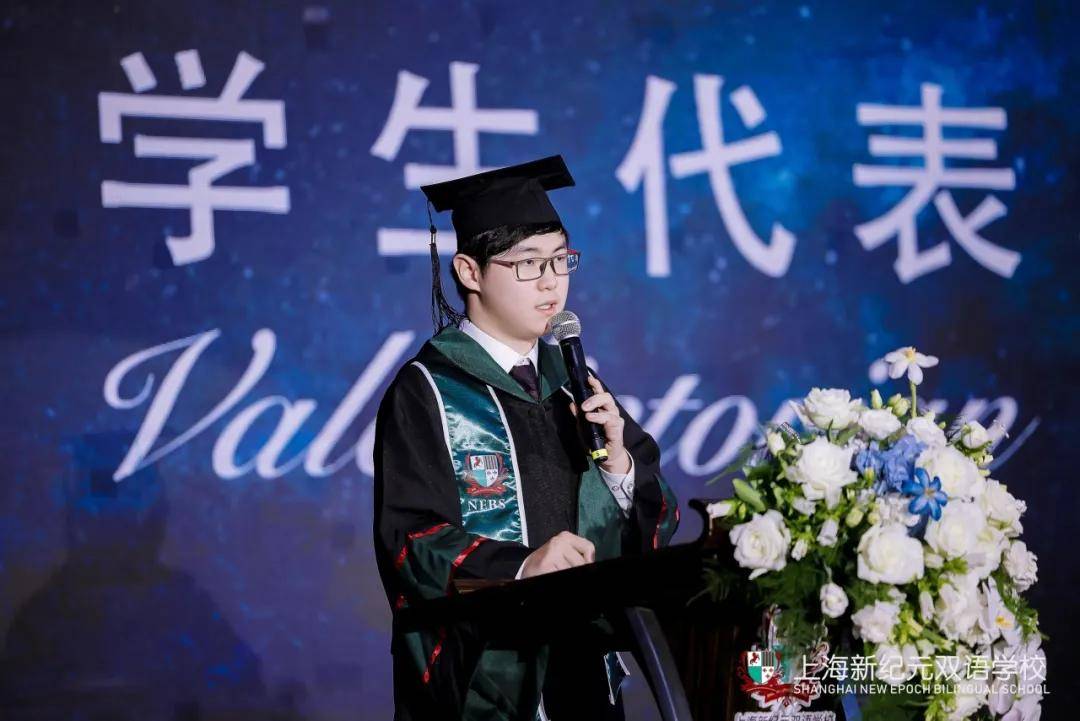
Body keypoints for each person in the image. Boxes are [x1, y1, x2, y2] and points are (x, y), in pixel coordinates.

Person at [372, 155, 679, 721]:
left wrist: (619, 466)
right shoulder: (430, 390)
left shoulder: (574, 381)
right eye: (528, 263)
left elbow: (655, 513)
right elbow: (409, 538)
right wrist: (520, 566)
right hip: (489, 676)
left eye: (561, 259)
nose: (551, 281)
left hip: (583, 667)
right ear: (469, 272)